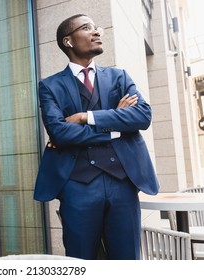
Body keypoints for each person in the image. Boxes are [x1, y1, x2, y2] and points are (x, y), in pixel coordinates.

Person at [33, 14, 159, 260]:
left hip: (122, 182)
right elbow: (59, 133)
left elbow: (142, 116)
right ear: (68, 41)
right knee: (81, 261)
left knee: (127, 261)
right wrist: (116, 126)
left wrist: (86, 117)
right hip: (77, 185)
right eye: (87, 28)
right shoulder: (49, 86)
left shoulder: (119, 77)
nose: (97, 32)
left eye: (97, 28)